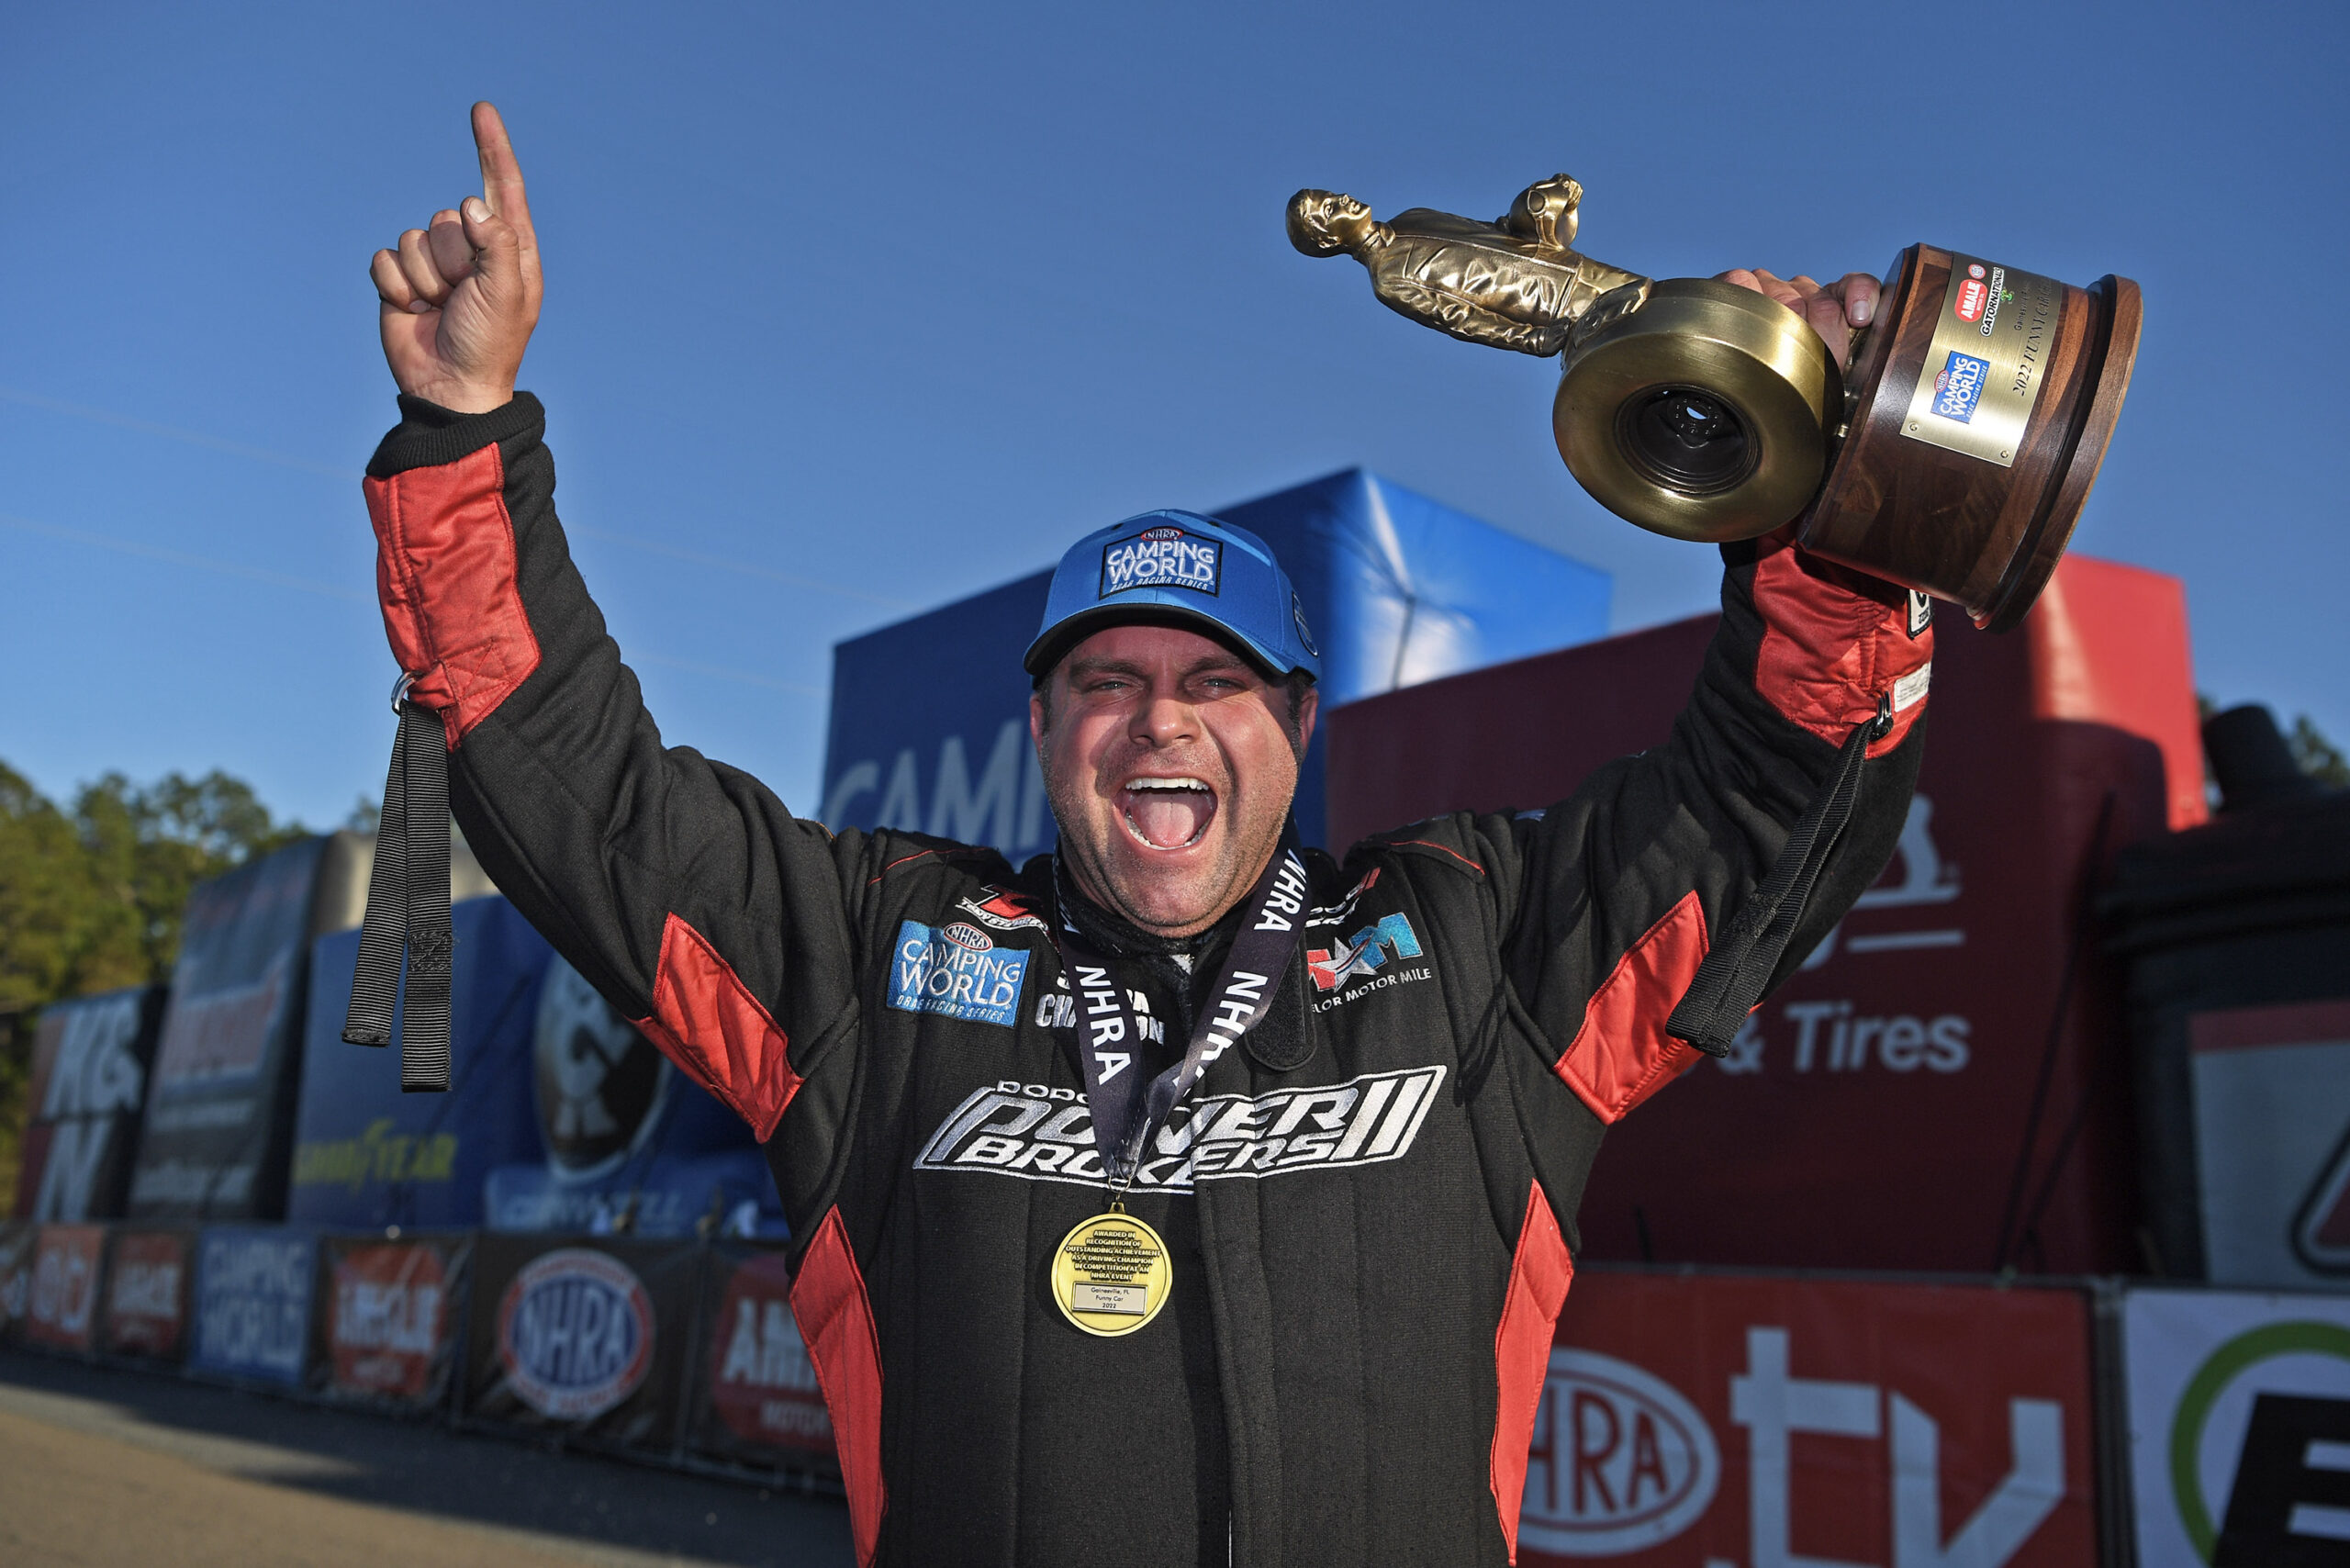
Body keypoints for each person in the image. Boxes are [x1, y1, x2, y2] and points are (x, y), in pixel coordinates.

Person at [364, 104, 1930, 1568]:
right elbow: (579, 781)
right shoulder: (872, 956)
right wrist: (461, 431)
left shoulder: (1478, 941)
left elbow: (1762, 794)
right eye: (1105, 683)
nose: (1161, 720)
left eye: (1216, 683)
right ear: (1042, 736)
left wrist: (1835, 516)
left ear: (1297, 729)